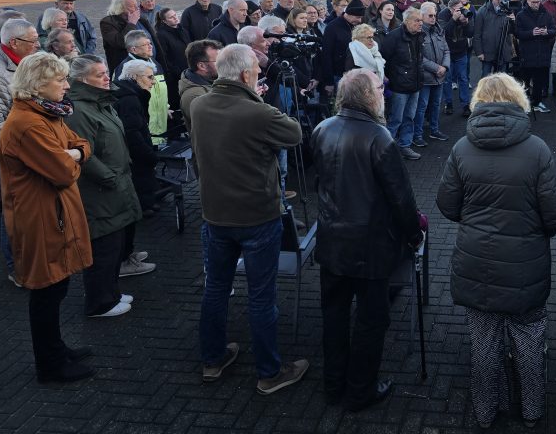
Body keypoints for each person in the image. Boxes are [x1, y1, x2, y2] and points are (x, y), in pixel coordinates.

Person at [437, 73, 556, 429]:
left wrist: (475, 221)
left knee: (483, 343)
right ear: (518, 99)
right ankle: (532, 410)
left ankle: (485, 411)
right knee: (529, 340)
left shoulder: (461, 148)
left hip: (475, 264)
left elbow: (447, 205)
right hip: (525, 266)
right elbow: (555, 212)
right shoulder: (537, 149)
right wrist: (534, 233)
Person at [190, 44, 308, 394]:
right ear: (245, 74)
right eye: (256, 68)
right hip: (257, 216)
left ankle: (213, 359)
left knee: (215, 289)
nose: (259, 72)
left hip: (215, 214)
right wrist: (258, 99)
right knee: (260, 296)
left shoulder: (199, 105)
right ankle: (269, 372)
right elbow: (294, 134)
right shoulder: (258, 112)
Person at [310, 69, 424, 410]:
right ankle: (360, 391)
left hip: (332, 241)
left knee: (334, 315)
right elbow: (401, 198)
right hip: (369, 247)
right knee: (371, 320)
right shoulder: (379, 137)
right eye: (379, 87)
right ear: (365, 95)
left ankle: (334, 385)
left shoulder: (322, 128)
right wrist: (414, 234)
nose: (384, 92)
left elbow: (322, 183)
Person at [0, 52, 95, 383]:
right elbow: (62, 172)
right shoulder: (28, 124)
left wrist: (75, 153)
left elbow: (82, 144)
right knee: (47, 291)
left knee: (57, 286)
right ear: (38, 84)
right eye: (61, 80)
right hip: (41, 218)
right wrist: (73, 158)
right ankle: (50, 364)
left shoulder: (47, 114)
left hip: (53, 212)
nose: (67, 86)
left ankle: (56, 349)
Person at [65, 55, 150, 319]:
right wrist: (109, 177)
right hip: (100, 189)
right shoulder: (80, 111)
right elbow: (84, 153)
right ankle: (99, 302)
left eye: (106, 72)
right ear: (82, 79)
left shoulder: (101, 102)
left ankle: (111, 293)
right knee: (103, 247)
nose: (106, 78)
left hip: (116, 183)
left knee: (115, 245)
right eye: (99, 74)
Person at [0, 18, 40, 283]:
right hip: (13, 156)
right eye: (33, 41)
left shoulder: (25, 63)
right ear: (14, 43)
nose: (38, 45)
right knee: (14, 214)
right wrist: (34, 138)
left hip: (31, 152)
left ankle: (31, 259)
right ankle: (16, 267)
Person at [113, 60, 160, 216]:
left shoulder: (129, 94)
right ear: (135, 77)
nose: (153, 82)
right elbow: (132, 132)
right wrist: (149, 154)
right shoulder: (129, 99)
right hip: (136, 156)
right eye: (150, 77)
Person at [379, 8, 424, 160]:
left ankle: (405, 146)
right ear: (407, 21)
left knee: (409, 118)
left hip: (415, 85)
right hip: (399, 87)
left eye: (421, 20)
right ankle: (386, 151)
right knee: (395, 119)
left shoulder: (420, 35)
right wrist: (391, 79)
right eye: (417, 20)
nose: (420, 23)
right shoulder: (393, 37)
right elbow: (383, 59)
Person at [413, 3, 450, 146]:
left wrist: (445, 67)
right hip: (426, 77)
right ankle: (417, 135)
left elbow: (446, 50)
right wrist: (436, 68)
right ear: (422, 16)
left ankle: (434, 130)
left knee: (436, 105)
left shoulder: (438, 30)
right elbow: (418, 57)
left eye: (434, 15)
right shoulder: (417, 32)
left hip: (439, 76)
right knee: (421, 107)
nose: (433, 18)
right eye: (430, 15)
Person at [514, 0, 556, 113]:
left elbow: (554, 30)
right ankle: (524, 104)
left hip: (542, 53)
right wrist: (531, 33)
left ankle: (537, 103)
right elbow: (517, 33)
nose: (536, 4)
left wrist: (546, 32)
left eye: (538, 2)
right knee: (525, 82)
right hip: (527, 54)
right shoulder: (521, 15)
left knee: (539, 81)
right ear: (527, 0)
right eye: (533, 2)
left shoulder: (547, 13)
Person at [100, 0, 159, 73]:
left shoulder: (142, 19)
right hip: (127, 70)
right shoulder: (108, 22)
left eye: (136, 5)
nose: (136, 8)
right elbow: (120, 42)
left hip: (150, 66)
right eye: (132, 6)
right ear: (121, 8)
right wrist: (131, 24)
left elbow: (154, 41)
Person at [320, 0, 366, 95]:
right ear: (348, 14)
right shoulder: (332, 27)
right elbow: (326, 55)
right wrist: (329, 81)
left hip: (356, 74)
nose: (359, 20)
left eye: (361, 17)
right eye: (357, 17)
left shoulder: (357, 26)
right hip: (338, 75)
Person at [439, 0, 473, 117]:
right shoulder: (443, 15)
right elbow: (444, 33)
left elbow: (470, 33)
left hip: (461, 52)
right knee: (447, 79)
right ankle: (448, 103)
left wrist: (466, 23)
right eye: (458, 9)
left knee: (463, 79)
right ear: (451, 9)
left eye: (462, 8)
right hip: (447, 53)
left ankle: (465, 105)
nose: (461, 10)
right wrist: (453, 19)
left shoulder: (465, 13)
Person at [179, 39, 222, 132]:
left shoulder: (215, 81)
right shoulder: (193, 96)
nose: (224, 64)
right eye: (218, 61)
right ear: (202, 66)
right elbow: (216, 126)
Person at [154, 7, 190, 114]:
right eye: (171, 17)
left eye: (175, 15)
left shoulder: (182, 29)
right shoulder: (161, 35)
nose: (175, 18)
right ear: (164, 21)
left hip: (188, 71)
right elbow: (164, 58)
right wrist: (176, 71)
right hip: (175, 76)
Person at [473, 0, 514, 78]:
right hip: (487, 52)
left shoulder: (508, 10)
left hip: (503, 52)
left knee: (502, 80)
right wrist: (479, 52)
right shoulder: (482, 11)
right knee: (486, 79)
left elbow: (512, 31)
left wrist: (513, 21)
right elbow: (477, 34)